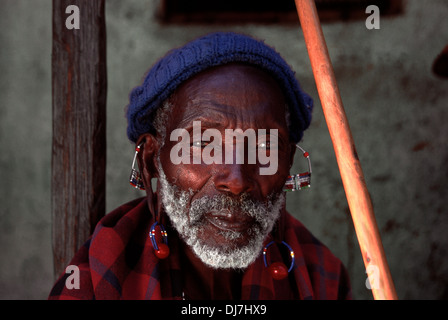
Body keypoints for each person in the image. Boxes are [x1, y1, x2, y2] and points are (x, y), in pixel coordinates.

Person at [49, 32, 351, 300]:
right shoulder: (98, 280)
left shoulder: (321, 276)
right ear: (152, 159)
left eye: (263, 147)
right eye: (204, 145)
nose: (236, 180)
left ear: (287, 166)